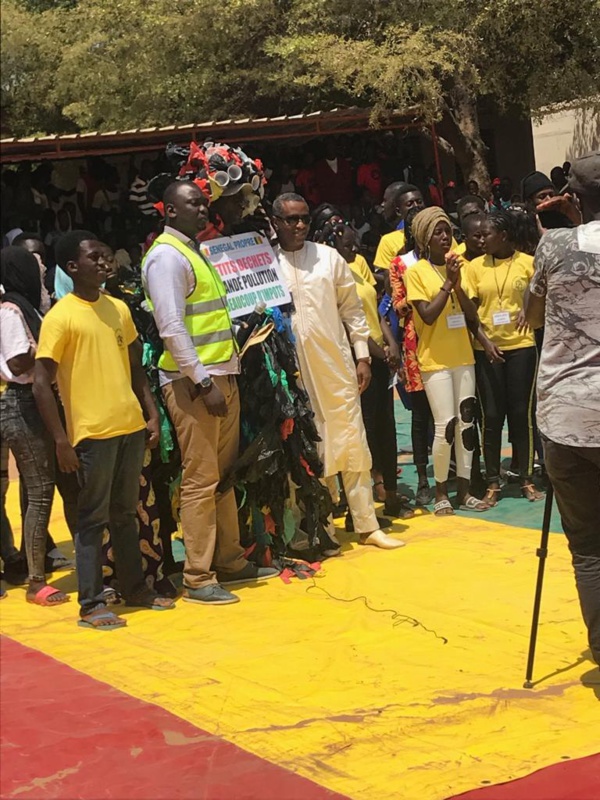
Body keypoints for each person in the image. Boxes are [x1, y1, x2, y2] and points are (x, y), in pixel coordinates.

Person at [142, 180, 279, 606]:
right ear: (169, 211)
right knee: (201, 481)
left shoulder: (195, 253)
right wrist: (203, 383)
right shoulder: (166, 258)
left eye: (204, 203)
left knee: (222, 477)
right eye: (192, 204)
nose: (202, 209)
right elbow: (171, 328)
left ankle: (230, 560)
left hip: (221, 377)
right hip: (195, 385)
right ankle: (199, 577)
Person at [34, 230, 175, 629]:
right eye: (93, 257)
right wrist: (61, 439)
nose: (103, 262)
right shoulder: (61, 316)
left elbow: (135, 369)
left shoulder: (118, 308)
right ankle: (91, 602)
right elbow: (43, 383)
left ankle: (135, 588)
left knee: (125, 514)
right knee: (92, 519)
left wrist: (151, 414)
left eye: (105, 254)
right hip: (92, 433)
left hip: (129, 426)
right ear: (71, 267)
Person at [272, 192, 405, 550]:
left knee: (351, 439)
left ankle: (366, 524)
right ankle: (321, 526)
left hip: (336, 365)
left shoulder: (328, 258)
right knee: (310, 445)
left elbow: (353, 313)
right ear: (275, 223)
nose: (299, 226)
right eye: (291, 220)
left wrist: (362, 357)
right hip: (293, 372)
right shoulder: (267, 265)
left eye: (304, 219)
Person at [524, 151, 600, 665]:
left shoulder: (552, 245)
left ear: (571, 196)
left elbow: (530, 316)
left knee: (589, 547)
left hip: (566, 418)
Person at [404, 208, 493, 516]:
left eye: (448, 232)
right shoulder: (416, 272)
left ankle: (466, 490)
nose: (445, 237)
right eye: (438, 232)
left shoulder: (461, 268)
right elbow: (426, 315)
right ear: (424, 238)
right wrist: (446, 284)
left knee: (466, 422)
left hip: (463, 357)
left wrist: (456, 283)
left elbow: (470, 313)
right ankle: (442, 490)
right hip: (435, 361)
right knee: (445, 425)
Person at [0, 247, 67, 607]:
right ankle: (35, 580)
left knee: (35, 488)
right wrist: (50, 346)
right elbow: (17, 359)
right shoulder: (12, 311)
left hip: (31, 402)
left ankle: (33, 560)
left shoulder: (23, 307)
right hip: (22, 403)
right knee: (40, 491)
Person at [332, 225, 413, 519]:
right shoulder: (329, 274)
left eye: (355, 246)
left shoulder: (359, 265)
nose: (353, 251)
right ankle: (362, 499)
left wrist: (392, 343)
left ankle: (390, 492)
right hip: (356, 359)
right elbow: (348, 321)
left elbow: (374, 310)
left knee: (385, 426)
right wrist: (382, 354)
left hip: (379, 353)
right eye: (347, 246)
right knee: (363, 429)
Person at [465, 210, 544, 506]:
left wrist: (529, 306)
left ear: (504, 236)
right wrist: (484, 342)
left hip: (521, 346)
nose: (482, 239)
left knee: (521, 414)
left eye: (488, 234)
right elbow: (470, 312)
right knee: (492, 416)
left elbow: (540, 293)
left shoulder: (526, 262)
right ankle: (493, 482)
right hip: (487, 349)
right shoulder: (474, 267)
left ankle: (525, 478)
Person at [389, 207, 434, 506]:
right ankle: (421, 478)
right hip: (415, 341)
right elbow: (397, 304)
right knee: (420, 413)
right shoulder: (400, 263)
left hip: (447, 337)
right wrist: (420, 298)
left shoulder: (446, 256)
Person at [374, 183, 425, 270]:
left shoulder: (439, 233)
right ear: (398, 210)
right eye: (410, 204)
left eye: (419, 202)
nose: (416, 206)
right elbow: (386, 277)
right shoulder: (388, 241)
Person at [313, 140, 354, 212]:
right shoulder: (320, 166)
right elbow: (320, 184)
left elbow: (349, 180)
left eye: (333, 147)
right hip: (329, 203)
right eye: (329, 147)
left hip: (344, 201)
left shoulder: (343, 163)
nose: (331, 149)